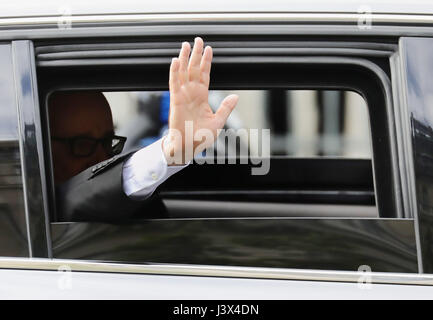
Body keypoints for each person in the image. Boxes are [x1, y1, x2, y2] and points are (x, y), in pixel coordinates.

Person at [49, 37, 239, 222]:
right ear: (44, 149)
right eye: (83, 145)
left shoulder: (140, 208)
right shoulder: (39, 214)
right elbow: (74, 197)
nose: (101, 159)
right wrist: (170, 152)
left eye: (107, 143)